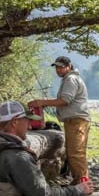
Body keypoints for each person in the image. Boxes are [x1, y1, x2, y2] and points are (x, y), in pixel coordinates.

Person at [28, 56, 90, 184]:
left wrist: (41, 102)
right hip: (74, 121)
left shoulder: (70, 79)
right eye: (56, 67)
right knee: (73, 151)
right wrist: (45, 104)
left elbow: (65, 100)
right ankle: (80, 181)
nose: (58, 70)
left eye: (61, 67)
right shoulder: (70, 79)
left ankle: (82, 183)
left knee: (76, 153)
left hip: (76, 121)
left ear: (69, 66)